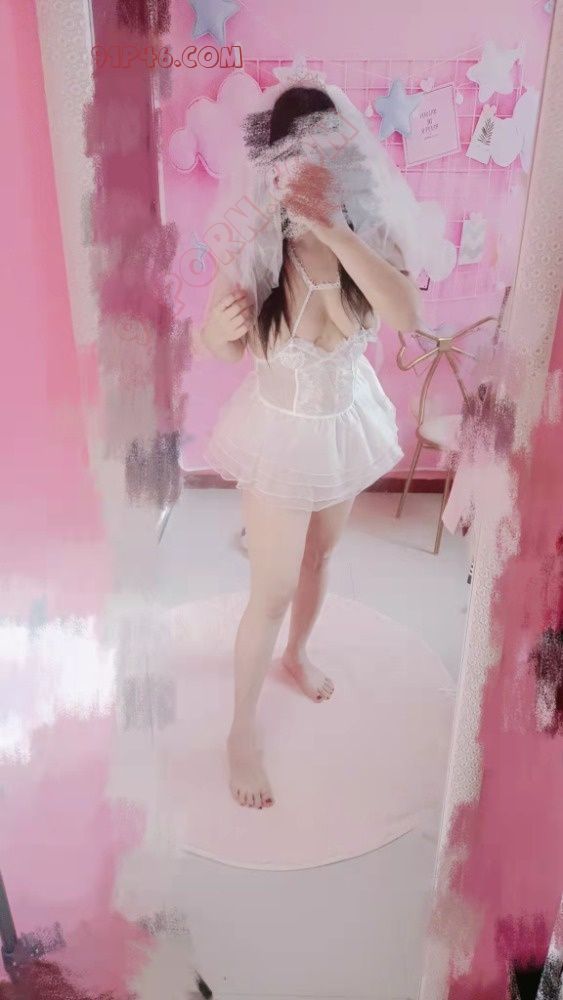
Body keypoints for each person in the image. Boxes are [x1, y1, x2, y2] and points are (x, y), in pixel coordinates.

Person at [201, 81, 422, 809]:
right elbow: (218, 344)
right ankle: (241, 730)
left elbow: (405, 314)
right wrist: (216, 332)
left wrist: (333, 229)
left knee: (322, 556)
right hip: (279, 434)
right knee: (271, 589)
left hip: (345, 423)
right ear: (275, 167)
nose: (308, 175)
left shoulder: (368, 236)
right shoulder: (256, 249)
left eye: (325, 158)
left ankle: (296, 655)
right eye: (296, 162)